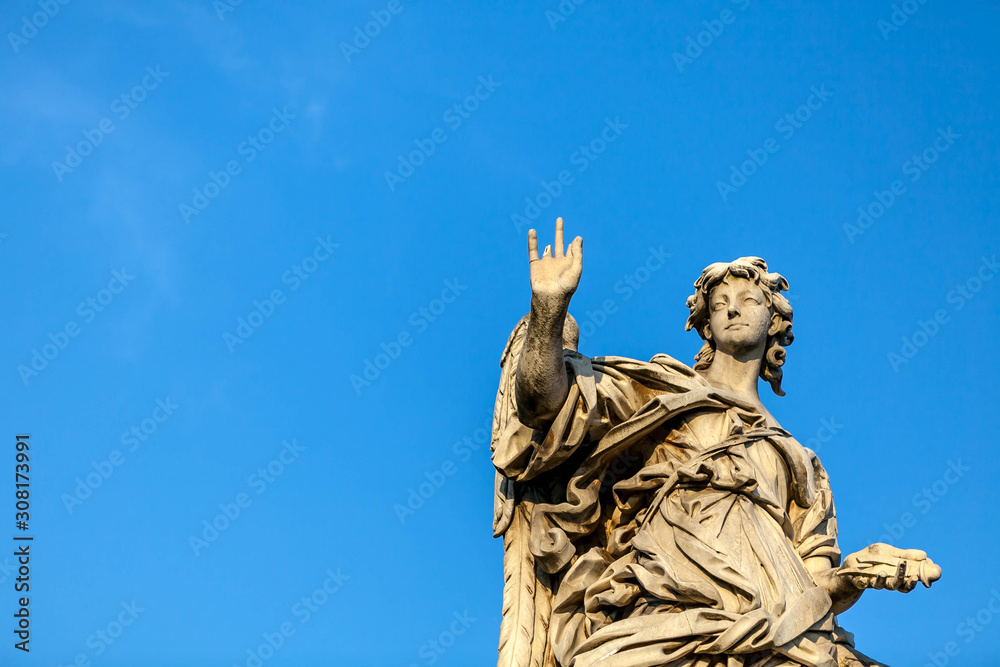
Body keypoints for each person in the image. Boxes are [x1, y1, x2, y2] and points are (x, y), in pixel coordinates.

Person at [492, 219, 941, 667]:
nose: (732, 310)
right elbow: (544, 406)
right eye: (720, 303)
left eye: (749, 300)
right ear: (706, 325)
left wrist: (858, 573)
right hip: (671, 619)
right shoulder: (662, 391)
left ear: (775, 320)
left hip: (780, 636)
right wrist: (549, 310)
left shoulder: (801, 462)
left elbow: (816, 585)